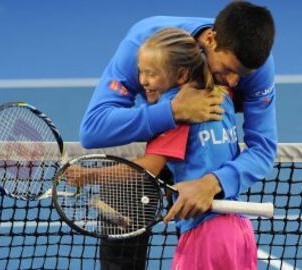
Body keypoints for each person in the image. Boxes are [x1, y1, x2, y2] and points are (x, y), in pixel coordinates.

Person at [80, 1, 276, 269]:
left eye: (242, 76)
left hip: (205, 171)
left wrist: (211, 183)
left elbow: (263, 149)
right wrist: (171, 112)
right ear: (210, 40)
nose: (232, 83)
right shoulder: (145, 47)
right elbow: (93, 130)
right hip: (159, 139)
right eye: (227, 70)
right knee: (122, 210)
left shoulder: (256, 62)